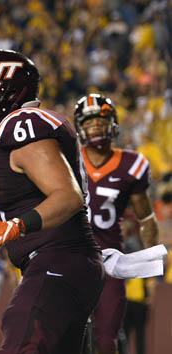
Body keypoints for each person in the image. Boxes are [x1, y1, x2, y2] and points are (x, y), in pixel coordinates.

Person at [0, 49, 104, 353]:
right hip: (67, 263)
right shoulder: (26, 126)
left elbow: (68, 196)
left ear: (7, 90)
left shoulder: (23, 124)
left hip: (57, 261)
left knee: (21, 340)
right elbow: (27, 196)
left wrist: (16, 226)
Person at [73, 93, 159, 354]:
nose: (96, 127)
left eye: (101, 121)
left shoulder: (131, 164)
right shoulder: (67, 161)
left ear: (113, 124)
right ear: (79, 128)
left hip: (110, 262)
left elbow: (146, 218)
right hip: (70, 257)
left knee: (105, 339)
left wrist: (150, 270)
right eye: (89, 123)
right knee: (65, 334)